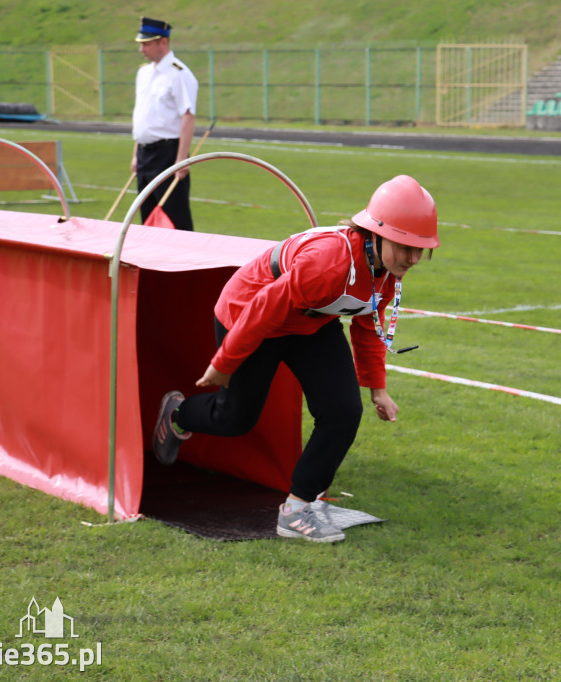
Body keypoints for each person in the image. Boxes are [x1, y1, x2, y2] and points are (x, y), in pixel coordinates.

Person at [152, 175, 440, 543]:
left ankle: (298, 508)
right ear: (376, 234)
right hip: (251, 316)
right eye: (405, 247)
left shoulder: (385, 270)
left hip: (310, 323)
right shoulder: (329, 263)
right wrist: (224, 364)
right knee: (236, 417)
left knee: (343, 411)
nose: (413, 258)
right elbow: (262, 309)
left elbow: (367, 323)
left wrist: (377, 389)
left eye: (421, 250)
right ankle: (178, 413)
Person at [131, 17, 199, 231]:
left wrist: (181, 160)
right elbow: (142, 115)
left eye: (146, 43)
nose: (142, 49)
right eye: (141, 44)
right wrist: (135, 154)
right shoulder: (144, 73)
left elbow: (188, 116)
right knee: (148, 218)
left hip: (167, 153)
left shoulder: (179, 74)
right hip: (144, 154)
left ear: (163, 42)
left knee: (174, 218)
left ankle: (186, 262)